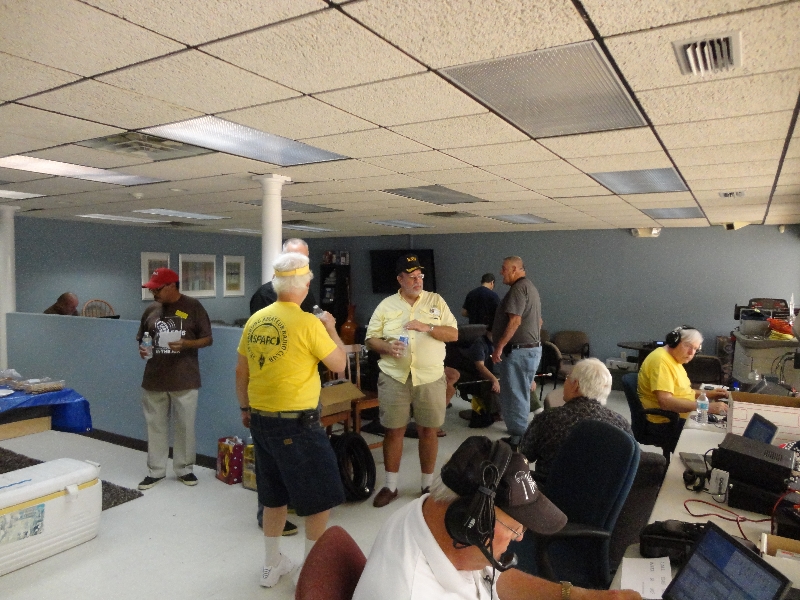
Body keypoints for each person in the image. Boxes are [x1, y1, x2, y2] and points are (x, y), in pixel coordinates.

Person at [352, 435, 642, 600]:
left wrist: (579, 596)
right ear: (465, 522)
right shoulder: (412, 591)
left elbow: (493, 580)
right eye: (514, 528)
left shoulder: (430, 514)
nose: (520, 538)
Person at [236, 252, 347, 588]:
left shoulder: (256, 321)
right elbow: (339, 364)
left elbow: (241, 371)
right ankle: (312, 573)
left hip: (260, 421)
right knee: (319, 500)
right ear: (306, 285)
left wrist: (245, 409)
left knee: (273, 497)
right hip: (298, 426)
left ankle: (271, 565)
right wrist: (332, 329)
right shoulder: (309, 323)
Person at [365, 253, 458, 507]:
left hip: (430, 377)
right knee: (394, 430)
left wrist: (428, 327)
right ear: (400, 279)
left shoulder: (436, 301)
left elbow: (453, 334)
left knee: (428, 430)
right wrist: (386, 347)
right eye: (412, 277)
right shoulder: (386, 305)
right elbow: (371, 339)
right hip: (395, 378)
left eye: (420, 276)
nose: (418, 281)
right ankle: (391, 486)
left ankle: (426, 486)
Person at [249, 238, 315, 537]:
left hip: (301, 389)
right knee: (271, 463)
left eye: (304, 261)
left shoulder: (306, 292)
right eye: (294, 260)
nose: (299, 267)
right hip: (273, 393)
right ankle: (267, 514)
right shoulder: (265, 296)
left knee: (294, 458)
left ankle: (288, 503)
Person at [136, 268, 213, 490]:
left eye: (157, 289)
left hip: (184, 378)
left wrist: (187, 344)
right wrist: (143, 349)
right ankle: (156, 471)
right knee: (155, 426)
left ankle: (184, 469)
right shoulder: (151, 309)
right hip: (154, 378)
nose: (154, 294)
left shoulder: (193, 307)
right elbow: (142, 337)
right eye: (151, 290)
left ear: (172, 286)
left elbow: (207, 339)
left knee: (185, 427)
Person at [520, 358, 633, 478]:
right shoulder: (621, 423)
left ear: (575, 385)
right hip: (604, 489)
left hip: (549, 488)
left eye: (567, 378)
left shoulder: (548, 419)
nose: (565, 382)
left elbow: (524, 456)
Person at [491, 256, 542, 451]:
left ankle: (518, 439)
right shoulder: (530, 288)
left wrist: (499, 346)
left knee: (515, 394)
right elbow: (539, 322)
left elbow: (515, 321)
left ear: (514, 269)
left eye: (504, 268)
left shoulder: (518, 289)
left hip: (519, 352)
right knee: (520, 392)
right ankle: (518, 433)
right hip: (529, 350)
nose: (501, 272)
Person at [638, 326, 729, 425]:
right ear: (674, 342)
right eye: (688, 346)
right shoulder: (661, 362)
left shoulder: (674, 359)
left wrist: (708, 394)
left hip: (682, 415)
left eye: (695, 349)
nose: (691, 353)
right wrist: (706, 407)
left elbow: (683, 392)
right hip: (667, 422)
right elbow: (666, 402)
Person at [249, 238, 317, 315]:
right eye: (291, 258)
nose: (297, 263)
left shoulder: (305, 289)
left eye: (302, 259)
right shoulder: (264, 294)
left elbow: (313, 311)